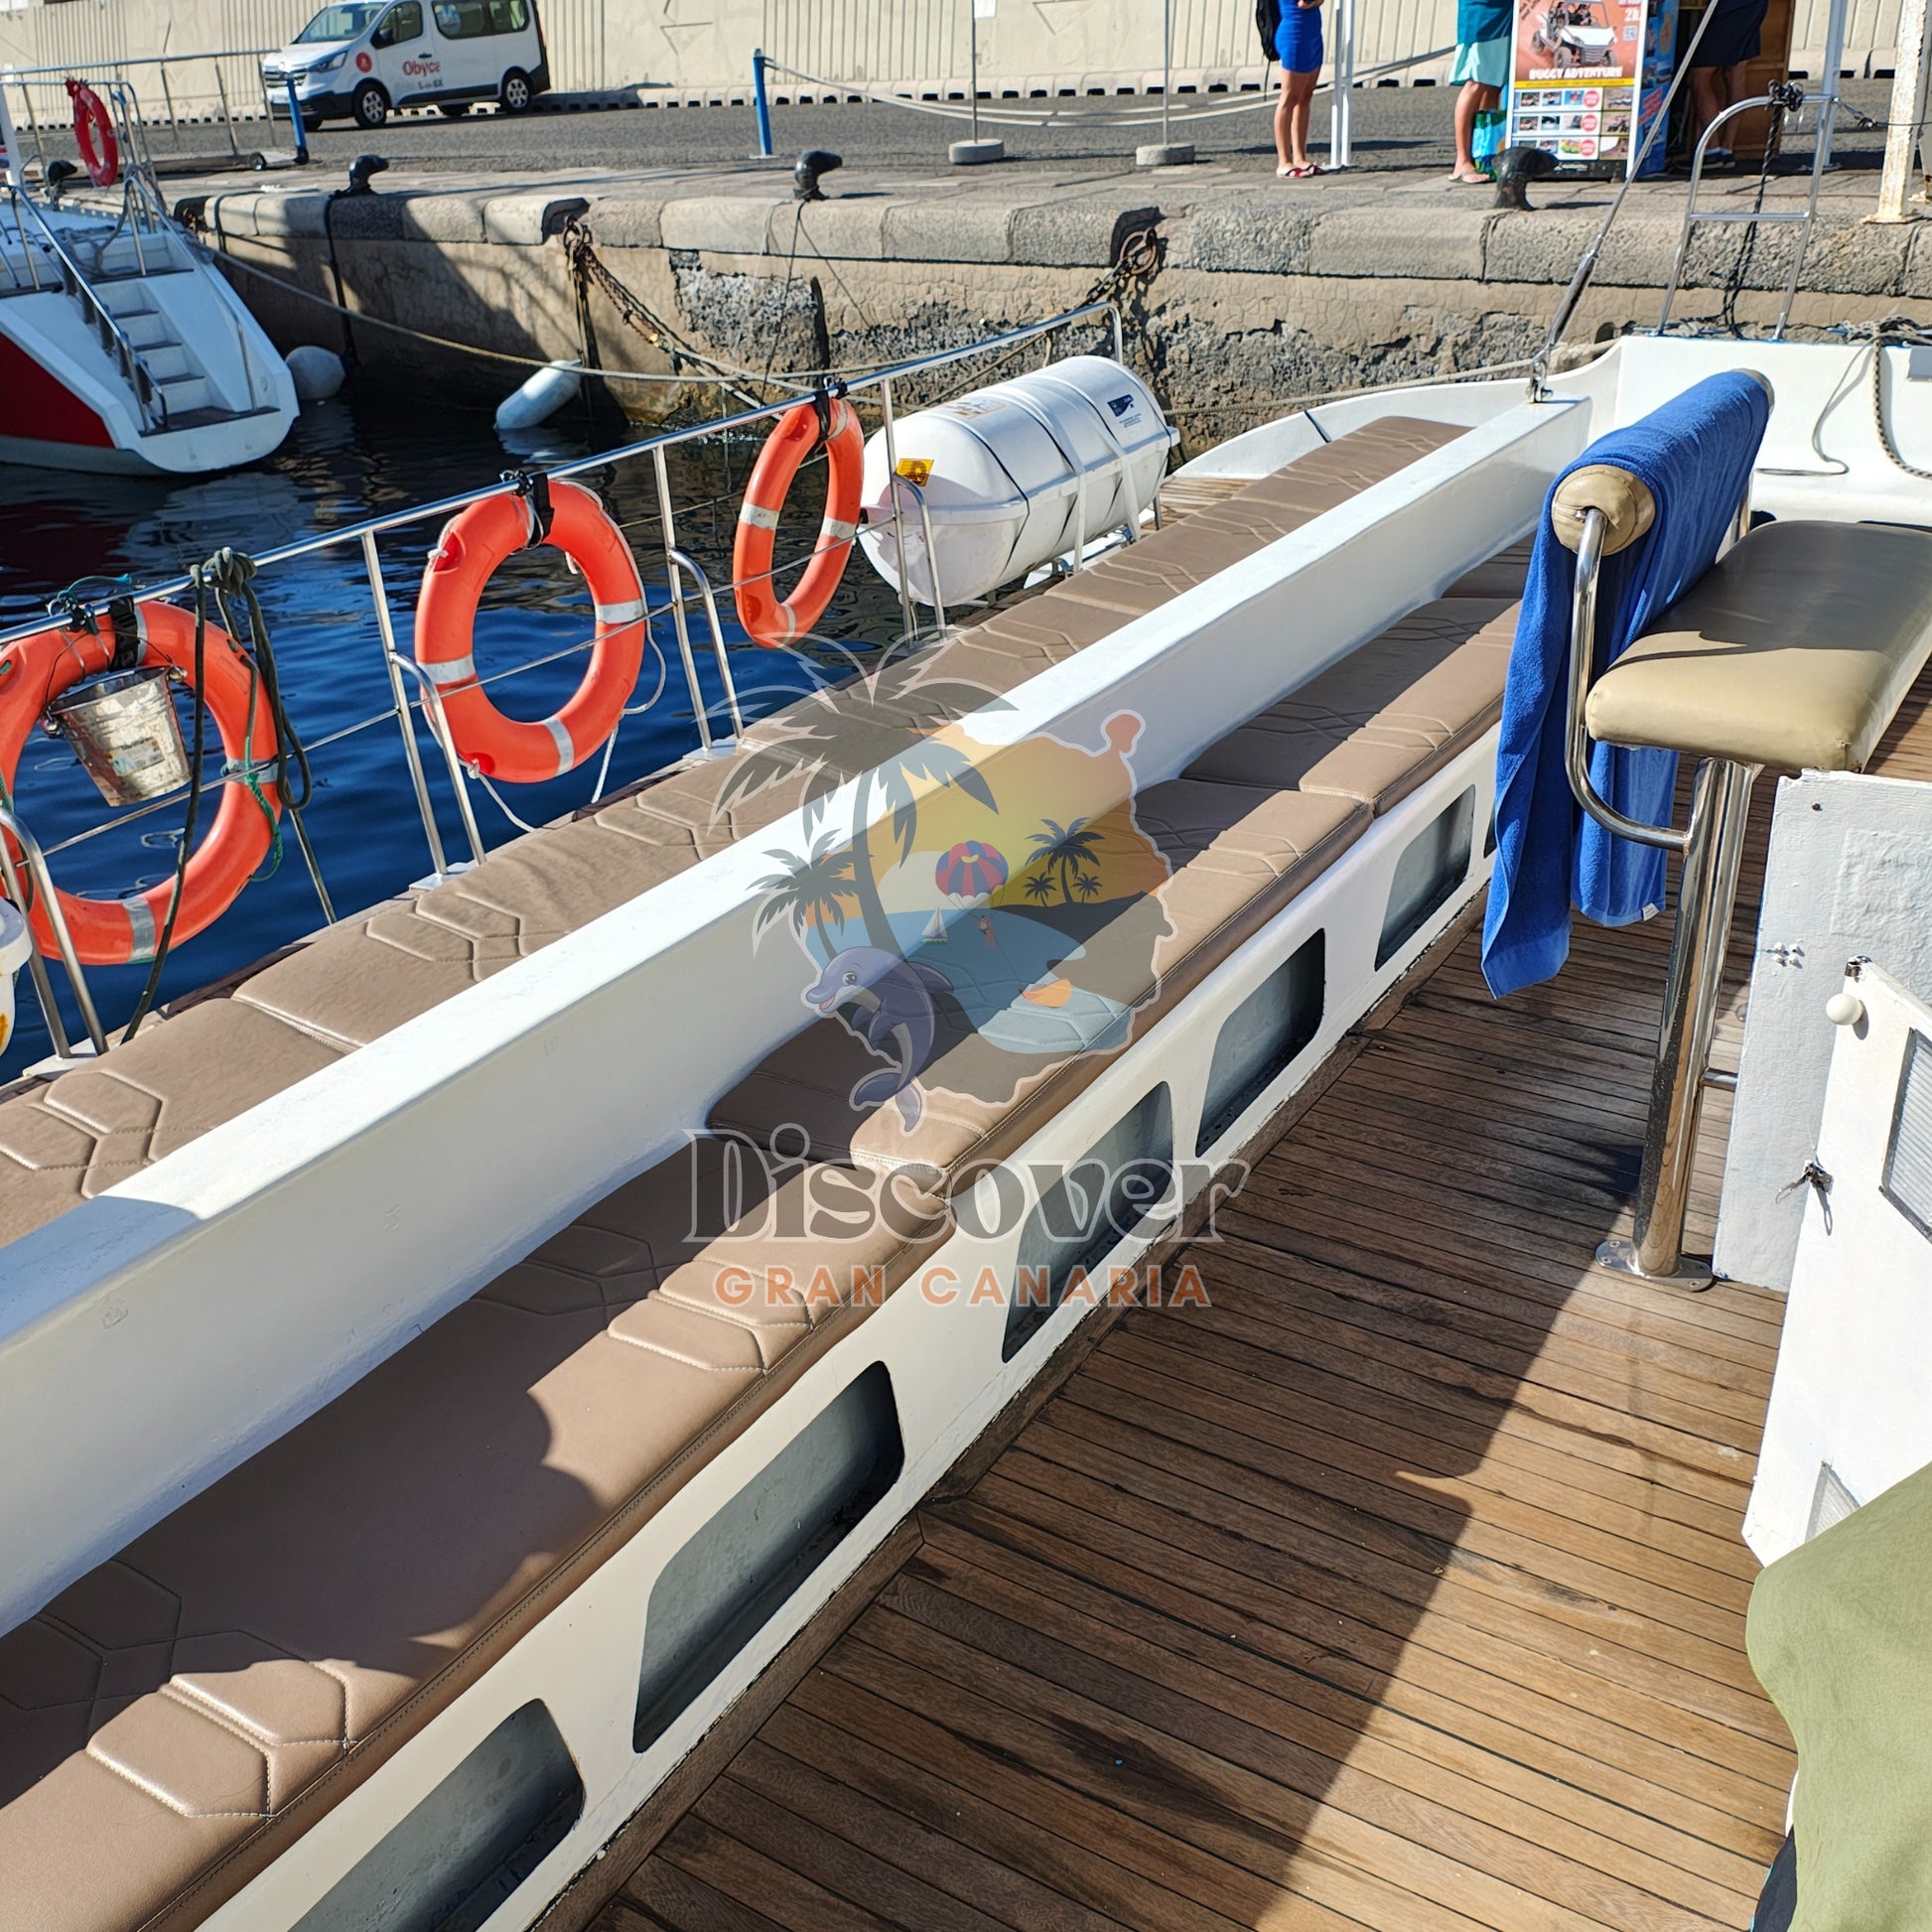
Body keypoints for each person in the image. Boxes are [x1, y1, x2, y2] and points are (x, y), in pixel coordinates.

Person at [1689, 0, 1770, 164]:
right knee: (1735, 73)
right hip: (1755, 5)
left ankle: (1712, 150)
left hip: (1728, 6)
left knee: (1699, 75)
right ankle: (1726, 149)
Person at [1449, 0, 1514, 184]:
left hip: (1504, 14)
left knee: (1493, 85)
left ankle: (1485, 154)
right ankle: (1462, 161)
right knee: (1476, 83)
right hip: (1483, 15)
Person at [1273, 0, 1326, 180]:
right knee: (1289, 97)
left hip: (1312, 32)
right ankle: (1284, 161)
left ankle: (1300, 157)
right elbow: (1305, 2)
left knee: (1305, 96)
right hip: (1295, 33)